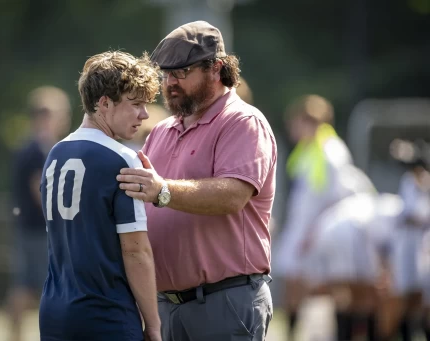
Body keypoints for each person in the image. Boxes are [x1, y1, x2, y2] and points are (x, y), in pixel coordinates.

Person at [117, 21, 277, 341]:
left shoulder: (242, 121)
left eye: (181, 72)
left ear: (215, 69)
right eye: (166, 74)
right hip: (166, 305)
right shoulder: (162, 131)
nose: (170, 83)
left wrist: (162, 189)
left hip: (224, 301)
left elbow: (232, 194)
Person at [38, 51, 162, 341]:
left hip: (54, 313)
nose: (144, 115)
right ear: (104, 103)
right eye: (136, 104)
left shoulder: (54, 154)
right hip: (105, 314)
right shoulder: (122, 159)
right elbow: (135, 251)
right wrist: (153, 324)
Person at [274, 94, 353, 340]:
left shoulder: (331, 151)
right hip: (302, 231)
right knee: (296, 285)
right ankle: (297, 332)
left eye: (297, 123)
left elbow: (338, 197)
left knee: (327, 286)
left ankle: (337, 332)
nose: (293, 130)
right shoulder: (307, 151)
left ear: (309, 122)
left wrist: (315, 232)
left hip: (319, 233)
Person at [301, 165, 401, 341]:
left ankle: (341, 334)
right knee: (366, 295)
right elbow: (380, 238)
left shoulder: (357, 203)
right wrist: (385, 271)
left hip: (324, 233)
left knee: (342, 295)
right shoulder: (393, 207)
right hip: (351, 234)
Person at [6, 86, 72, 341]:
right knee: (27, 288)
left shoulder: (41, 147)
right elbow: (40, 191)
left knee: (28, 287)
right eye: (61, 113)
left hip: (32, 228)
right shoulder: (36, 150)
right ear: (44, 116)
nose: (65, 119)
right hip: (37, 229)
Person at [386, 139, 430, 340]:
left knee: (422, 298)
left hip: (423, 244)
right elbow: (412, 213)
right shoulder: (409, 181)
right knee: (406, 295)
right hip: (408, 243)